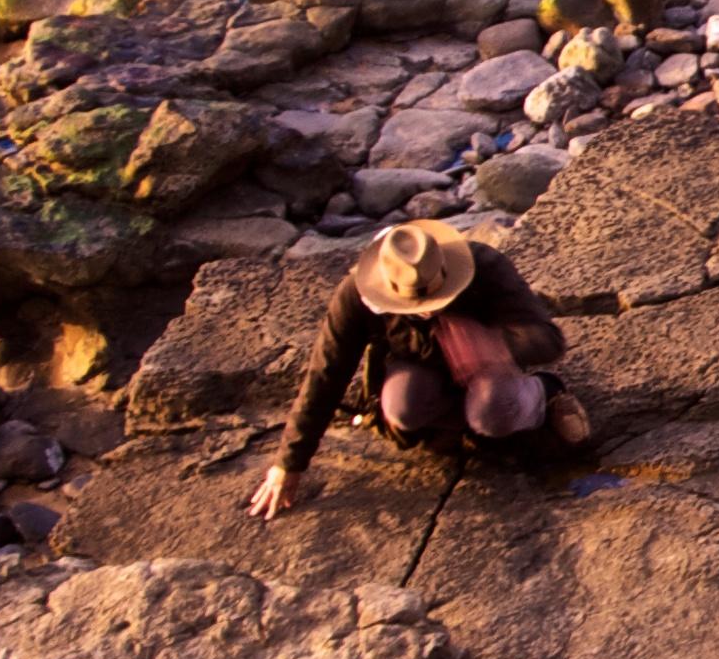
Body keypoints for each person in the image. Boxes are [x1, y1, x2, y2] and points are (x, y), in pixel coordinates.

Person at [249, 219, 591, 518]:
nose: (426, 311)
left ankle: (543, 392)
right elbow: (326, 373)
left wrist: (497, 346)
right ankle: (471, 427)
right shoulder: (355, 294)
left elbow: (549, 339)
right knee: (402, 411)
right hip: (418, 368)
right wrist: (288, 464)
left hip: (490, 372)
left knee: (491, 413)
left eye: (434, 300)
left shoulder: (485, 266)